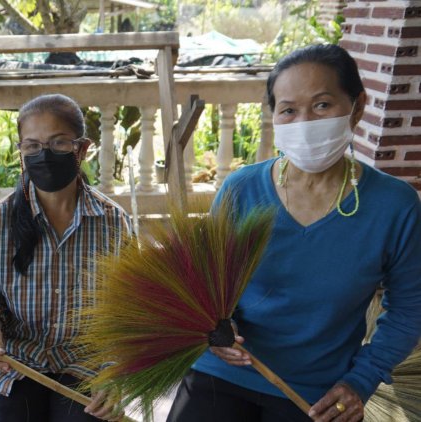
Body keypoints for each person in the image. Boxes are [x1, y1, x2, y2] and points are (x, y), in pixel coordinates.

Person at [167, 44, 421, 422]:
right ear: (274, 117)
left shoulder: (394, 206)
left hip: (316, 388)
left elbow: (409, 309)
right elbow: (205, 282)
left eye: (321, 105)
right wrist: (214, 327)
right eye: (288, 110)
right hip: (222, 369)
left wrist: (362, 380)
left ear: (358, 107)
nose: (304, 122)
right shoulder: (242, 189)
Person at [0, 94, 132, 421]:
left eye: (58, 144)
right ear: (22, 152)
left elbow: (126, 312)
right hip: (12, 362)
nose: (43, 155)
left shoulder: (113, 224)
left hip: (85, 364)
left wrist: (114, 374)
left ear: (81, 149)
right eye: (32, 146)